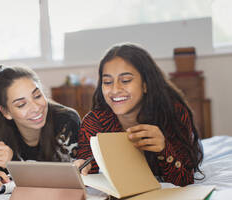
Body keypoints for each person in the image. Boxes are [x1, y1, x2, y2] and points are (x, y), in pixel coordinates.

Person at [76, 43, 203, 186]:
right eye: (107, 82)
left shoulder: (173, 114)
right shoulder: (95, 122)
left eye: (125, 80)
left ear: (145, 84)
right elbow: (88, 173)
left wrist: (164, 149)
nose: (115, 89)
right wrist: (82, 168)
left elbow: (186, 181)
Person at [0, 65, 80, 190]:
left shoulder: (67, 120)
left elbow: (69, 175)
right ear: (6, 112)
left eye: (37, 96)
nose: (36, 108)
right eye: (21, 105)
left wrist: (14, 163)